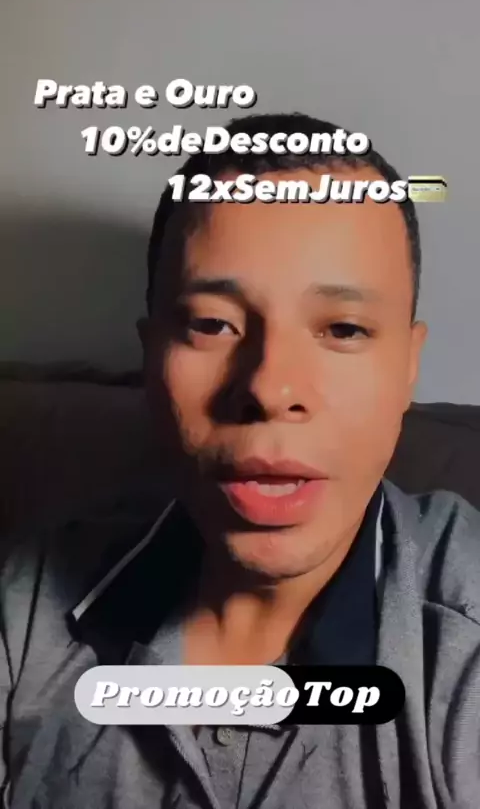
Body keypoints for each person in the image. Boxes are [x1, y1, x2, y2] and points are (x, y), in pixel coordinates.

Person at [1, 112, 479, 809]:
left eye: (344, 328)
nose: (268, 387)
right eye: (212, 324)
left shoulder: (461, 636)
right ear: (150, 356)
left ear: (409, 365)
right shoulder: (28, 603)